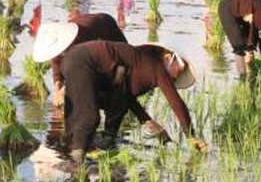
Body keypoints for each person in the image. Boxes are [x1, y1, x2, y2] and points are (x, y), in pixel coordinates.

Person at [38, 37, 203, 167]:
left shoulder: (139, 63)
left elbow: (125, 97)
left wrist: (149, 123)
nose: (176, 77)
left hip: (80, 63)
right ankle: (76, 166)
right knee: (88, 118)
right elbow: (176, 102)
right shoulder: (155, 66)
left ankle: (82, 151)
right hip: (82, 61)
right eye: (178, 70)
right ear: (168, 58)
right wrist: (191, 136)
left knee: (107, 109)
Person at [39, 13, 128, 100]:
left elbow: (84, 71)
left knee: (124, 64)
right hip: (86, 24)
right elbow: (56, 63)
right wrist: (57, 89)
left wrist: (65, 90)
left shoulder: (82, 42)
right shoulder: (56, 42)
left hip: (106, 26)